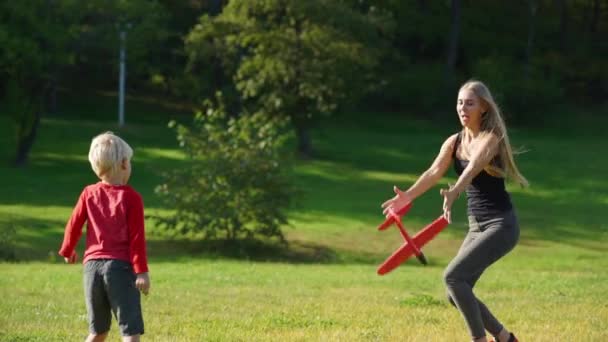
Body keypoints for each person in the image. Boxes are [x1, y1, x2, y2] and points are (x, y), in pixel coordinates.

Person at [382, 80, 527, 342]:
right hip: (476, 226)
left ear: (483, 107)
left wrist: (455, 191)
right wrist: (408, 196)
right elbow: (434, 172)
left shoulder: (491, 139)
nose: (463, 108)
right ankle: (506, 339)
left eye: (469, 103)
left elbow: (472, 169)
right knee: (455, 291)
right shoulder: (454, 141)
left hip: (501, 225)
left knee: (453, 277)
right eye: (460, 102)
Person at [59, 131, 151, 342]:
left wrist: (68, 249)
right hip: (120, 268)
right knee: (130, 331)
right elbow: (137, 239)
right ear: (125, 163)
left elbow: (73, 224)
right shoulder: (132, 198)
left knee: (98, 331)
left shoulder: (88, 193)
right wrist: (142, 272)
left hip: (91, 268)